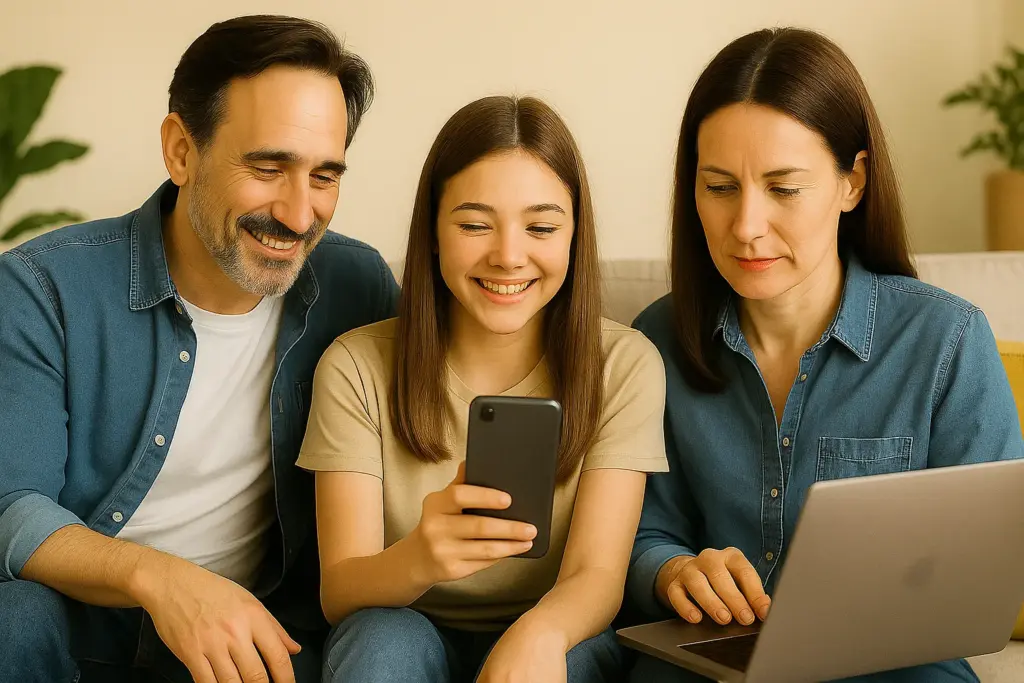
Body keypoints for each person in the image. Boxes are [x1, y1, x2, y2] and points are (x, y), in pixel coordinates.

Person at [0, 14, 398, 683]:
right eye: (269, 166)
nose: (300, 215)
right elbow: (12, 506)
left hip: (263, 644)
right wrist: (165, 581)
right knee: (14, 614)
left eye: (324, 176)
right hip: (80, 636)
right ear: (181, 149)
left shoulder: (357, 287)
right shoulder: (43, 288)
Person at [625, 27, 1024, 683]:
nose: (746, 225)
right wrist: (673, 571)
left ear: (852, 182)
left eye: (783, 188)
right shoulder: (657, 341)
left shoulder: (946, 341)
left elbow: (988, 574)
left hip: (894, 665)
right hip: (710, 659)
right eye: (720, 187)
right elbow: (636, 535)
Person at [297, 94, 669, 683]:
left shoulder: (623, 364)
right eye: (474, 224)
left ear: (575, 235)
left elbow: (596, 579)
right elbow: (340, 591)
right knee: (379, 641)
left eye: (542, 226)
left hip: (554, 627)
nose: (508, 256)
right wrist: (421, 557)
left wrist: (536, 637)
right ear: (435, 231)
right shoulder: (356, 367)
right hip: (402, 623)